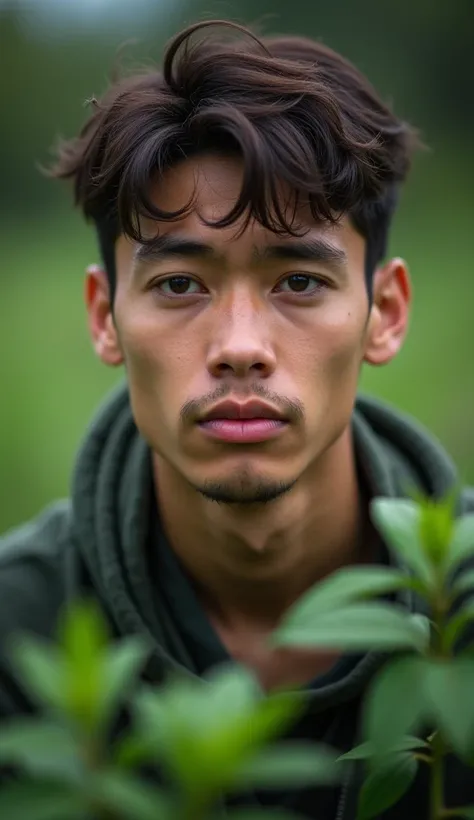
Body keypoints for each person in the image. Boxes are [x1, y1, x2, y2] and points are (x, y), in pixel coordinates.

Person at [0, 18, 473, 818]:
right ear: (105, 317)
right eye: (180, 284)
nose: (241, 348)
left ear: (384, 313)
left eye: (299, 282)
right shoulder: (18, 634)